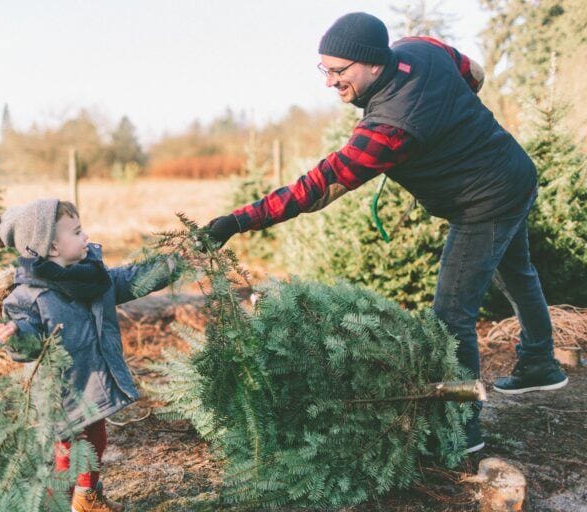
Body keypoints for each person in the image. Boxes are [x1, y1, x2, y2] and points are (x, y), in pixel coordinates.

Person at [205, 12, 567, 454]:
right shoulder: (422, 48)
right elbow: (474, 72)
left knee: (451, 315)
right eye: (325, 69)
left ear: (374, 63)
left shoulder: (389, 127)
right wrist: (448, 115)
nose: (329, 82)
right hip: (514, 172)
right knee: (517, 272)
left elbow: (317, 187)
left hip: (485, 201)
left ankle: (461, 431)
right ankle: (540, 365)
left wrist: (239, 220)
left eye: (339, 71)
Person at [0, 199, 177, 512]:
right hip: (63, 394)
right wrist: (16, 338)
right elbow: (28, 340)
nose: (86, 235)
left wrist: (175, 263)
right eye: (76, 232)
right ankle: (60, 505)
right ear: (50, 248)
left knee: (95, 442)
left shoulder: (92, 278)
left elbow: (132, 278)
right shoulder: (28, 297)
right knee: (69, 455)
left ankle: (86, 497)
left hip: (92, 384)